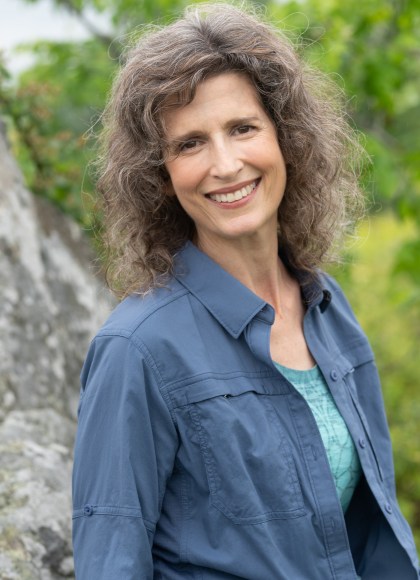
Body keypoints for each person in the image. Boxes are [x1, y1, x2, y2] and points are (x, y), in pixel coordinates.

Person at [72, 3, 419, 578]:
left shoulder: (327, 307)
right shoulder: (137, 349)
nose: (226, 164)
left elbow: (372, 534)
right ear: (160, 175)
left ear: (286, 138)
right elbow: (111, 560)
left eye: (242, 128)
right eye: (190, 143)